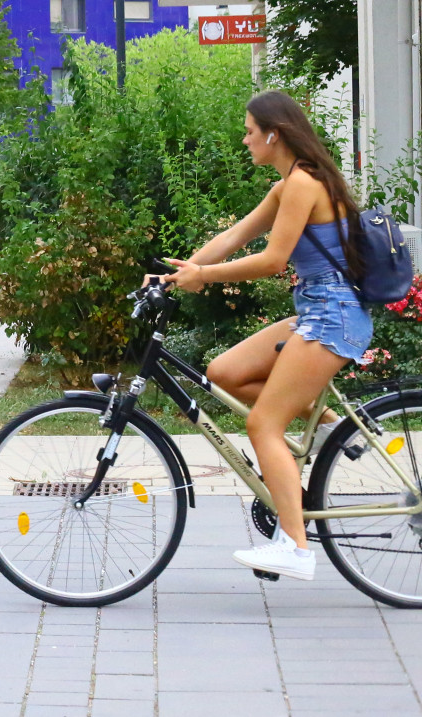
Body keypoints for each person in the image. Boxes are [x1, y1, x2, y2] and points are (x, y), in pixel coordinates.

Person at [156, 90, 373, 582]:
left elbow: (274, 260)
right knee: (223, 372)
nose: (244, 138)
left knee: (263, 427)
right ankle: (331, 427)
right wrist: (179, 272)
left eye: (250, 130)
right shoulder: (287, 185)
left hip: (332, 316)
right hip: (317, 312)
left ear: (274, 133)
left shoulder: (303, 183)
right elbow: (233, 237)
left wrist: (204, 279)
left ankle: (295, 548)